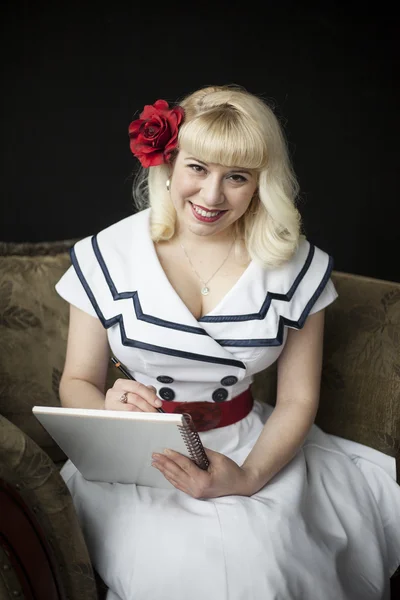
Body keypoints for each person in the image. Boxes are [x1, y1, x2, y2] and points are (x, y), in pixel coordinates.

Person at [56, 84, 400, 600]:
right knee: (170, 571)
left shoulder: (296, 265)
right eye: (197, 168)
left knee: (266, 571)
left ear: (262, 182)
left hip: (252, 447)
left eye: (236, 177)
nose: (212, 196)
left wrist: (248, 477)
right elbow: (77, 381)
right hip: (134, 459)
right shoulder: (108, 254)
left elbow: (299, 399)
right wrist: (110, 407)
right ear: (168, 163)